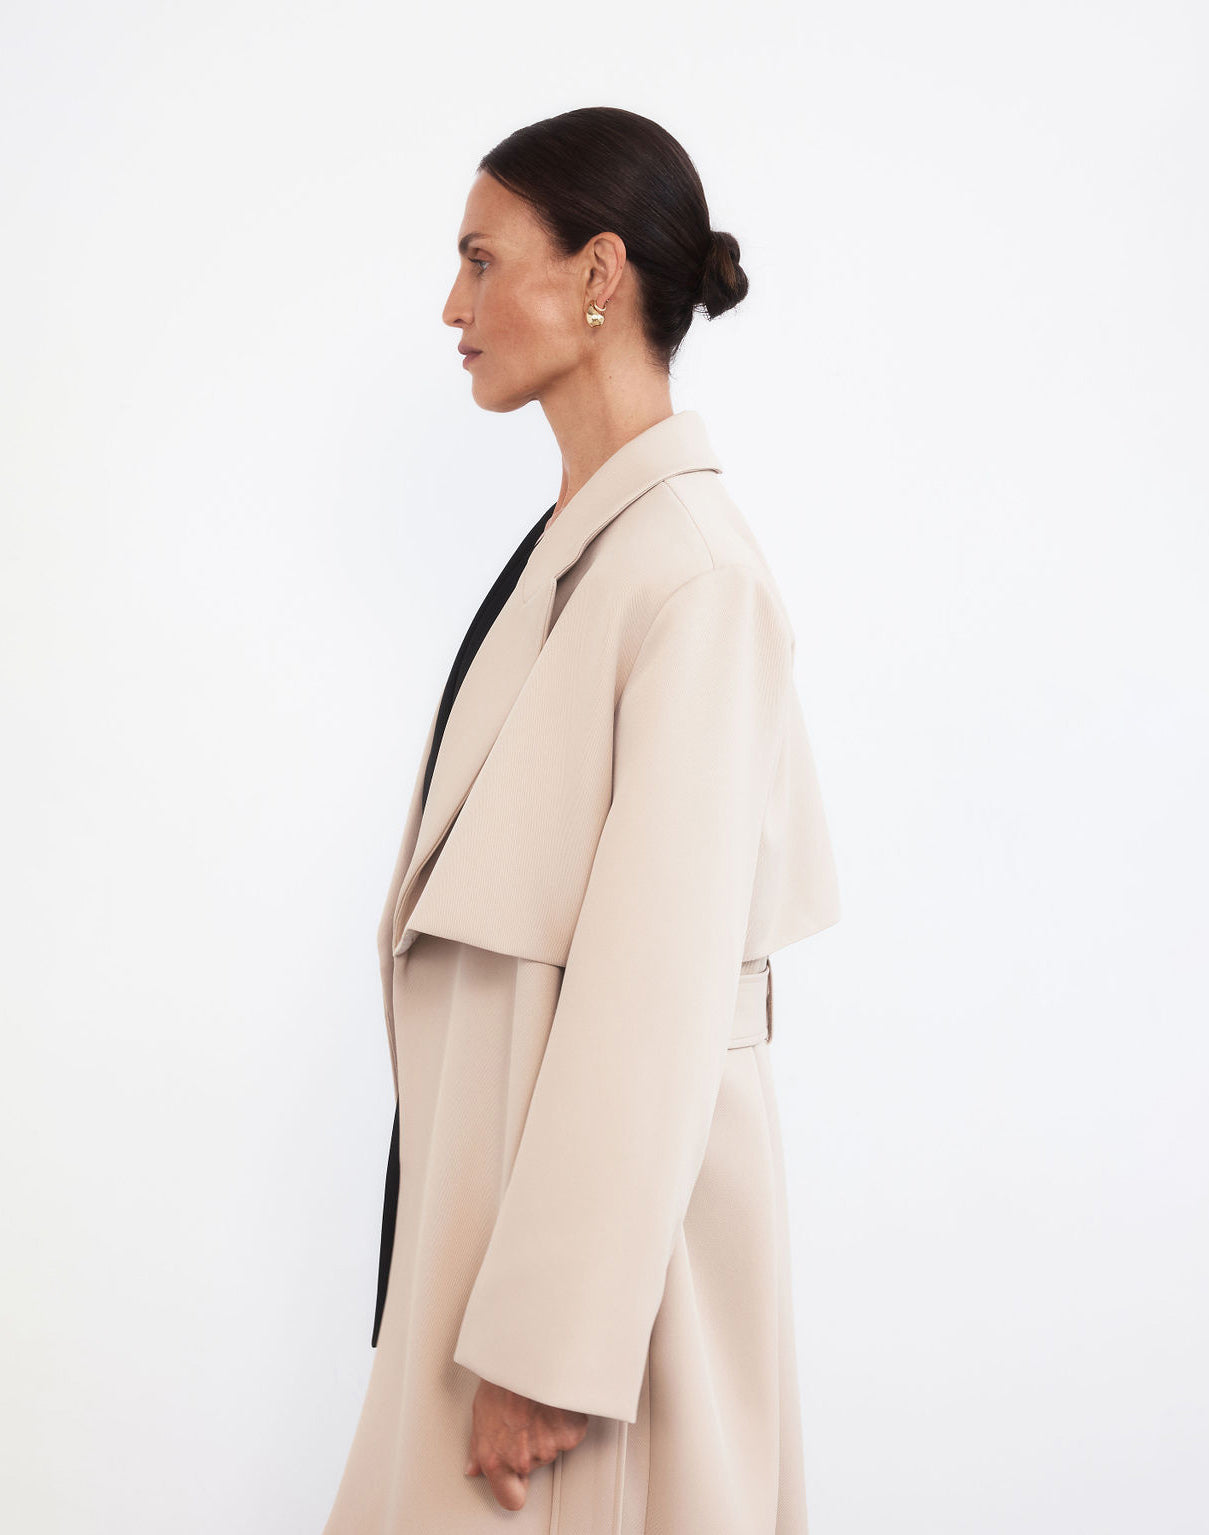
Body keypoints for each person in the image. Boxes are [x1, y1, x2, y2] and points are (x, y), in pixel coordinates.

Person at [322, 106, 840, 1535]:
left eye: (483, 262)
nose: (454, 305)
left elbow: (657, 997)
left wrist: (549, 1348)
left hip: (599, 1312)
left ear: (598, 274)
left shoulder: (691, 578)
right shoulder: (590, 547)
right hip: (506, 1251)